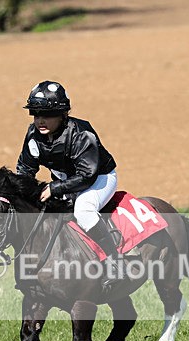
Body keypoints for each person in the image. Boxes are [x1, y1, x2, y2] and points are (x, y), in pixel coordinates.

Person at [15, 80, 123, 285]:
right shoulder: (33, 135)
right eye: (35, 114)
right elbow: (25, 169)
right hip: (66, 182)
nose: (40, 120)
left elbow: (86, 175)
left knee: (83, 210)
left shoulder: (81, 133)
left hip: (99, 179)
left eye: (46, 114)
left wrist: (54, 188)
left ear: (63, 114)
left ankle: (115, 261)